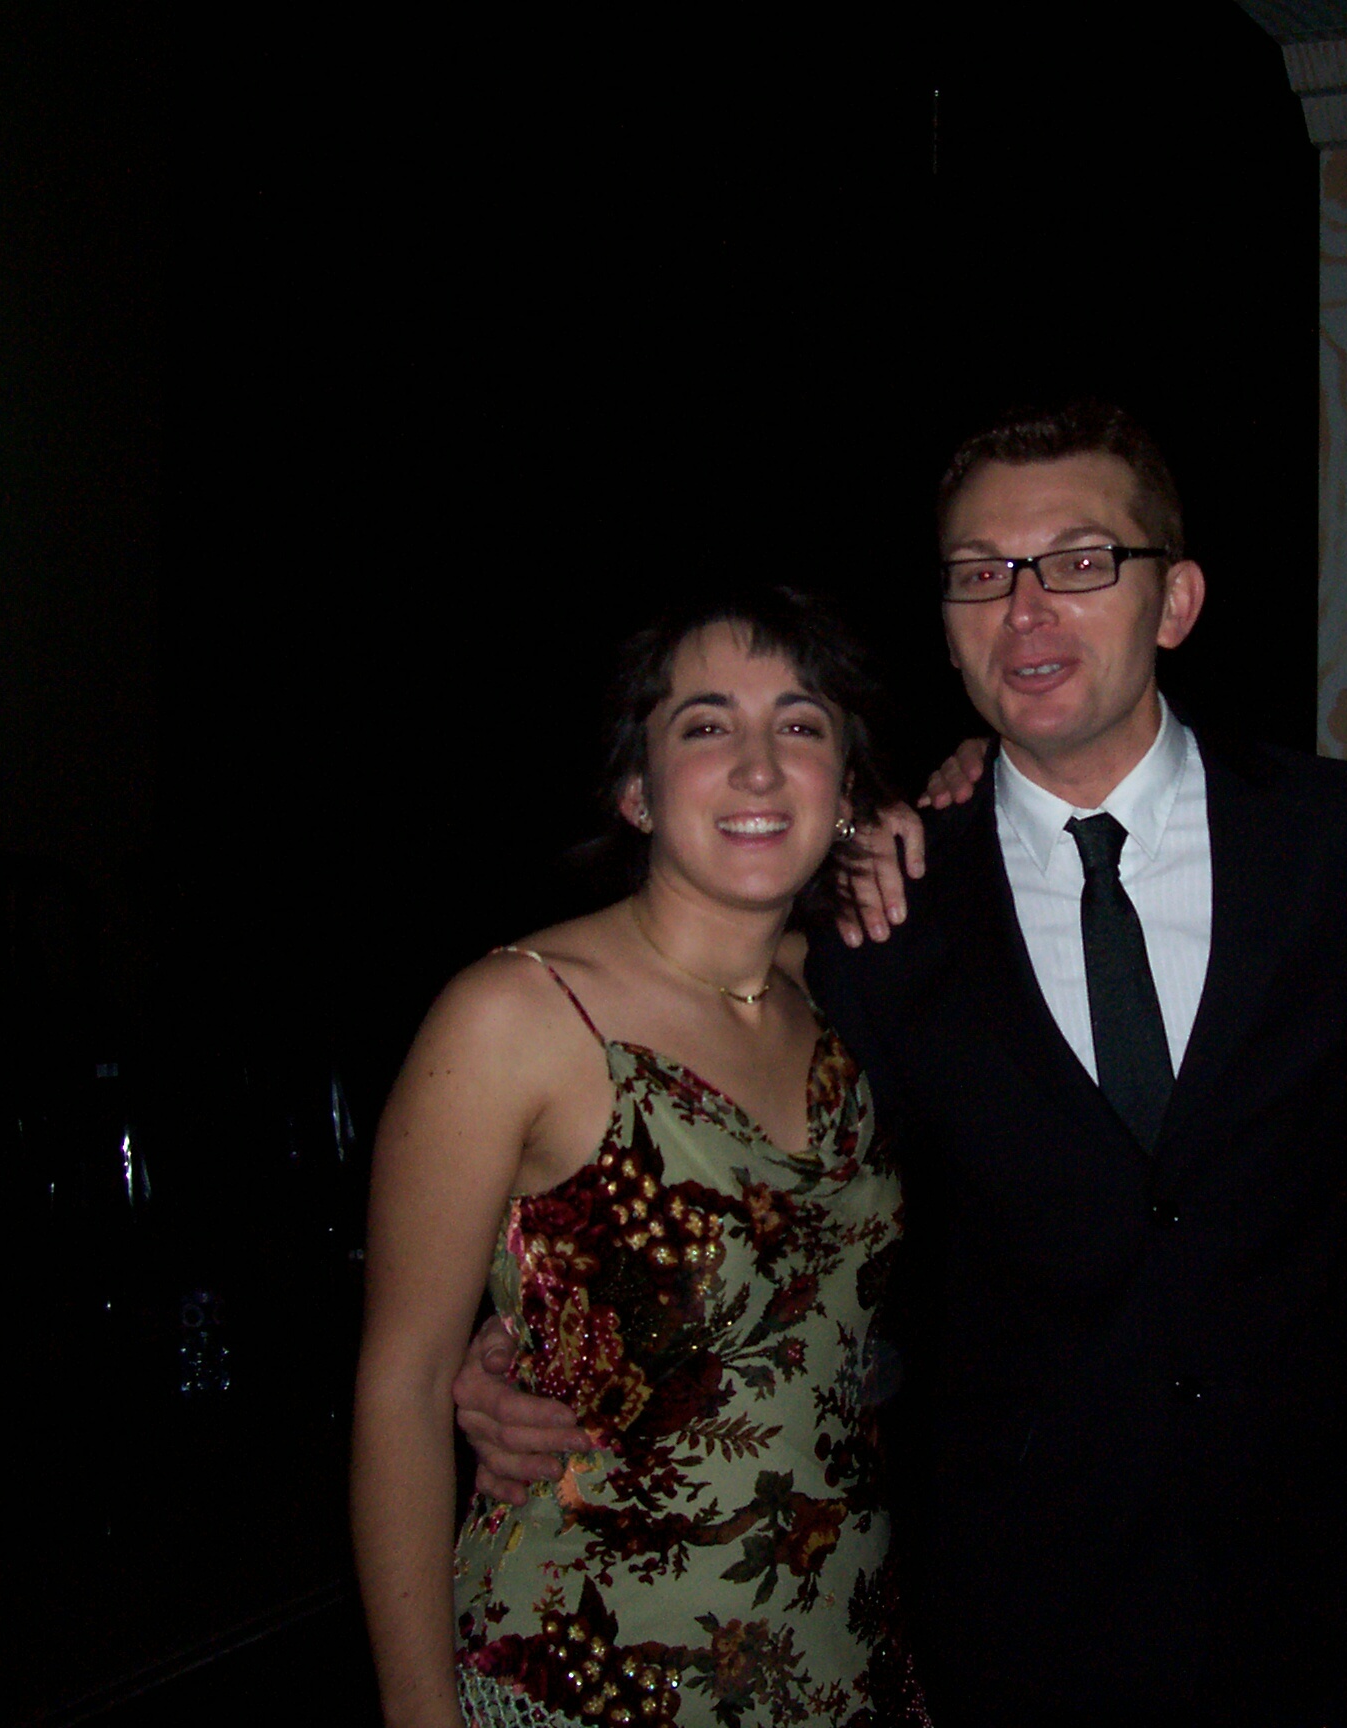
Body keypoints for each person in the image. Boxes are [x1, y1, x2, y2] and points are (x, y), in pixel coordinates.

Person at [455, 402, 1347, 1725]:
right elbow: (761, 1194)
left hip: (1338, 1572)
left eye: (1079, 561)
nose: (1025, 609)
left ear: (1177, 600)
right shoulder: (877, 917)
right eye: (982, 573)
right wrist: (523, 1335)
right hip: (1024, 1601)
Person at [351, 590, 922, 1728]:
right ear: (637, 790)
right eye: (706, 725)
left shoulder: (854, 993)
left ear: (848, 790)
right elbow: (402, 1388)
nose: (759, 767)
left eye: (800, 725)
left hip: (847, 1662)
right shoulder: (514, 1016)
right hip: (584, 1674)